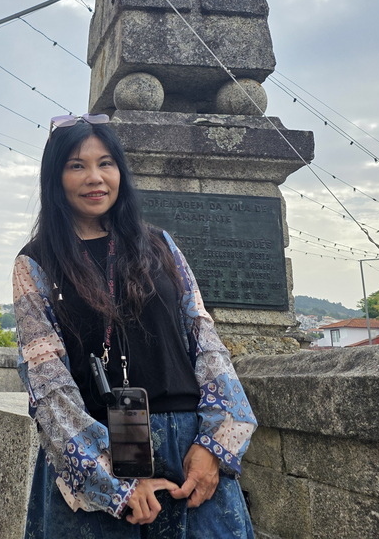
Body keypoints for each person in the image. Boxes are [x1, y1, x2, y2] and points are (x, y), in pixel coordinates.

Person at [13, 114, 256, 538]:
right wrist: (109, 479)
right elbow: (46, 380)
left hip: (188, 449)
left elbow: (204, 339)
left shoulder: (160, 245)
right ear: (55, 178)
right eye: (76, 165)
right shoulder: (35, 262)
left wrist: (214, 445)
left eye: (105, 163)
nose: (95, 177)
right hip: (99, 449)